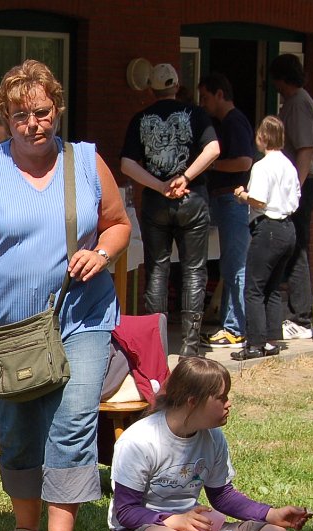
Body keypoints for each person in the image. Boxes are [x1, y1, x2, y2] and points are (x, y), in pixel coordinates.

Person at [0, 59, 131, 531]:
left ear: (58, 108)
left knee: (73, 418)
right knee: (18, 424)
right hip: (7, 323)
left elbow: (117, 224)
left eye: (43, 112)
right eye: (21, 115)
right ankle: (25, 526)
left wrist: (104, 253)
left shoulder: (87, 162)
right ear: (6, 115)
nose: (34, 124)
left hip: (81, 314)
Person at [107, 357, 313, 531]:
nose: (229, 404)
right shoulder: (139, 441)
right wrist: (172, 521)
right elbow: (125, 512)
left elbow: (223, 496)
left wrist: (272, 514)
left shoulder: (213, 437)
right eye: (222, 397)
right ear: (193, 402)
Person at [120, 63, 221, 358]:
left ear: (151, 89)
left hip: (156, 201)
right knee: (193, 270)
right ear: (176, 86)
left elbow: (127, 164)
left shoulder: (140, 118)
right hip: (192, 198)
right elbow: (213, 149)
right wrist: (185, 177)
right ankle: (191, 347)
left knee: (156, 270)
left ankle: (156, 348)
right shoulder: (197, 114)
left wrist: (159, 185)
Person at [230, 116, 301, 362]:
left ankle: (255, 343)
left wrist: (242, 195)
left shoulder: (262, 167)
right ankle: (272, 340)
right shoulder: (289, 165)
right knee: (272, 287)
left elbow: (259, 200)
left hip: (268, 226)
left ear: (262, 137)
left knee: (254, 288)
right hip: (288, 228)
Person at [197, 74, 255, 349]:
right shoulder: (222, 123)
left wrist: (211, 166)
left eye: (206, 97)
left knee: (235, 265)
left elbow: (244, 161)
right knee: (225, 264)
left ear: (220, 94)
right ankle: (229, 323)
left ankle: (235, 328)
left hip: (232, 201)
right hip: (218, 200)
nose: (203, 103)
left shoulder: (234, 122)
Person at [270, 54, 313, 341]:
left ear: (282, 78)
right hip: (298, 182)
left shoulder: (299, 102)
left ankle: (301, 317)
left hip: (300, 183)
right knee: (293, 248)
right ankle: (296, 313)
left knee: (297, 248)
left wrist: (295, 190)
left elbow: (305, 148)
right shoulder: (297, 102)